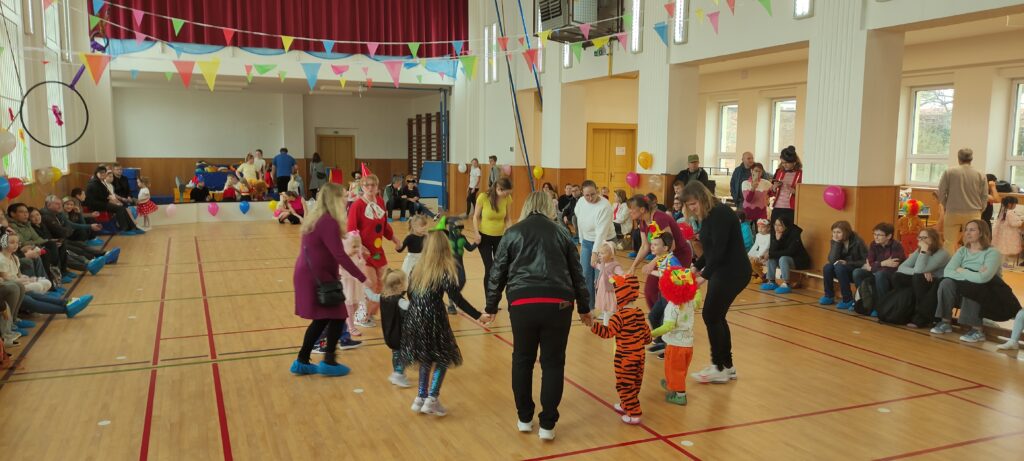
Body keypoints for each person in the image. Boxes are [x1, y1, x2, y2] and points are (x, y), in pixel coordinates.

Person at [485, 191, 590, 441]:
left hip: (522, 302)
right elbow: (577, 273)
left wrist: (491, 306)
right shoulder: (562, 232)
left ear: (526, 206)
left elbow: (497, 272)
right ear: (548, 207)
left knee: (522, 359)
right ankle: (547, 426)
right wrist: (584, 308)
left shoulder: (513, 232)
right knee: (553, 363)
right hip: (559, 303)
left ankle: (524, 419)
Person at [401, 224, 484, 417]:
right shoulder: (444, 270)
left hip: (414, 316)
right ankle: (432, 398)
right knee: (443, 357)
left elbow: (411, 293)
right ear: (445, 248)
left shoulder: (417, 268)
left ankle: (420, 397)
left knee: (425, 356)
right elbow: (457, 299)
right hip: (433, 318)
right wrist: (478, 315)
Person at [290, 183, 371, 377]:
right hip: (317, 276)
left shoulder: (318, 218)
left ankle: (303, 361)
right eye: (343, 196)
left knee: (324, 318)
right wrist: (362, 278)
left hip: (312, 273)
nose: (347, 199)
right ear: (334, 199)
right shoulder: (328, 221)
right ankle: (328, 361)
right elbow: (339, 255)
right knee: (336, 314)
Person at [679, 181, 748, 384]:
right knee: (716, 316)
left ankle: (718, 367)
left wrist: (704, 276)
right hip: (723, 269)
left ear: (703, 198)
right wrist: (695, 267)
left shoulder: (720, 214)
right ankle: (727, 366)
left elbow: (719, 250)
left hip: (733, 272)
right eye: (688, 205)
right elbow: (709, 251)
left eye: (694, 203)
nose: (692, 208)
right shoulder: (708, 216)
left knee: (711, 315)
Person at [931, 220, 1021, 343]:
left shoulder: (993, 252)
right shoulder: (962, 251)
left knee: (972, 286)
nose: (967, 233)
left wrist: (961, 270)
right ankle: (945, 322)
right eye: (966, 230)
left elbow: (983, 278)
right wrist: (974, 273)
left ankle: (977, 330)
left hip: (990, 291)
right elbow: (948, 272)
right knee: (946, 282)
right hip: (967, 286)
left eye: (972, 230)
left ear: (982, 233)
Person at [589, 274, 651, 425]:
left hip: (625, 358)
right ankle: (626, 405)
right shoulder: (639, 313)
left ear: (621, 296)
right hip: (640, 357)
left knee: (625, 385)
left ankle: (634, 413)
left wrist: (593, 325)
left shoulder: (619, 316)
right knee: (634, 383)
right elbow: (647, 336)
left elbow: (607, 333)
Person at [347, 172, 401, 327]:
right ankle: (361, 316)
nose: (370, 188)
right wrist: (360, 246)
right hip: (364, 253)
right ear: (362, 187)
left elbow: (384, 225)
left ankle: (370, 313)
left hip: (378, 252)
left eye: (373, 185)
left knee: (383, 284)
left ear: (378, 187)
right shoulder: (357, 205)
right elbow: (351, 229)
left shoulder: (380, 202)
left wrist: (395, 239)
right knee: (370, 284)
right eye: (367, 185)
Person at [652, 267, 700, 406]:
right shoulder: (690, 302)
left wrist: (651, 333)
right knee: (678, 369)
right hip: (687, 345)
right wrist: (695, 288)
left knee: (675, 370)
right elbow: (698, 299)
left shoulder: (672, 307)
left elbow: (668, 326)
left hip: (675, 346)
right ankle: (671, 384)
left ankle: (680, 396)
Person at [891, 227, 950, 328]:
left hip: (937, 282)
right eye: (920, 237)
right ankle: (903, 309)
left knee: (918, 278)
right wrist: (920, 271)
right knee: (898, 276)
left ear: (933, 239)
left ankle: (922, 317)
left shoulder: (942, 253)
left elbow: (919, 270)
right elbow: (901, 268)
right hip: (922, 279)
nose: (921, 240)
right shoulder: (918, 251)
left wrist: (923, 251)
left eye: (925, 238)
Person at [626, 195, 693, 283]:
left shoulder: (659, 218)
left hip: (678, 255)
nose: (629, 211)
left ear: (642, 209)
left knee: (674, 286)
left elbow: (670, 246)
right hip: (664, 256)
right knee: (652, 287)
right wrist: (633, 267)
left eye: (631, 208)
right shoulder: (643, 222)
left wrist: (652, 263)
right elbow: (644, 246)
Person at [362, 269, 411, 387]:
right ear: (399, 285)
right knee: (408, 354)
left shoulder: (382, 297)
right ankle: (398, 373)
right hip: (400, 334)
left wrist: (365, 287)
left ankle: (397, 374)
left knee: (396, 353)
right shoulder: (399, 301)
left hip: (389, 334)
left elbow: (371, 296)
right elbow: (411, 307)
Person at [937, 148, 988, 253]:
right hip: (973, 212)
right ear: (971, 159)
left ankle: (949, 263)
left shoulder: (949, 172)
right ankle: (969, 262)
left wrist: (946, 205)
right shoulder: (980, 174)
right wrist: (980, 209)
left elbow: (941, 192)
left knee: (949, 242)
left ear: (958, 158)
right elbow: (984, 195)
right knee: (972, 242)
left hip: (952, 212)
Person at [575, 180, 615, 312]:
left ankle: (603, 308)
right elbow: (580, 222)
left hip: (604, 242)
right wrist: (582, 241)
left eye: (593, 194)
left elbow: (601, 233)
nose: (590, 198)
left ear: (597, 190)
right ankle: (590, 307)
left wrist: (595, 253)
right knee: (585, 274)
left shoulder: (605, 206)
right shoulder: (581, 202)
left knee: (600, 277)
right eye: (587, 195)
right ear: (582, 194)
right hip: (587, 241)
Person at [473, 177, 513, 294]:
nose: (507, 195)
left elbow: (508, 218)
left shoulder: (507, 199)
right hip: (484, 237)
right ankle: (488, 298)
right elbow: (475, 217)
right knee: (489, 268)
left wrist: (511, 233)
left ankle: (495, 295)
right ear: (498, 189)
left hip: (500, 238)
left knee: (499, 268)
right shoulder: (483, 197)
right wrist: (476, 233)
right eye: (506, 193)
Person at [853, 222, 905, 308]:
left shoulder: (896, 246)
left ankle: (882, 306)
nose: (875, 237)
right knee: (857, 272)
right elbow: (870, 262)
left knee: (880, 274)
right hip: (877, 272)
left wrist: (873, 267)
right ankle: (865, 300)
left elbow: (892, 267)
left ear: (889, 236)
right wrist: (883, 263)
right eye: (874, 234)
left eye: (879, 235)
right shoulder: (873, 244)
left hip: (892, 275)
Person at [820, 221, 869, 309]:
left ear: (846, 232)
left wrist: (848, 263)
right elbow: (832, 260)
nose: (835, 235)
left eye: (838, 232)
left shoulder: (858, 241)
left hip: (854, 270)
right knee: (827, 267)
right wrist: (836, 244)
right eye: (834, 232)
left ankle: (847, 299)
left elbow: (865, 260)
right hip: (840, 270)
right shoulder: (835, 241)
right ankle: (829, 296)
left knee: (839, 267)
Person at [760, 214, 810, 295]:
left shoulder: (794, 234)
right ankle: (771, 281)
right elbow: (772, 251)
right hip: (784, 260)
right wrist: (777, 241)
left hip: (799, 261)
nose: (777, 227)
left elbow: (790, 252)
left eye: (780, 225)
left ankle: (786, 283)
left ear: (786, 226)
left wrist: (770, 254)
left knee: (782, 258)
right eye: (775, 225)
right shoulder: (776, 233)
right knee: (772, 258)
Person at [84, 166, 142, 235]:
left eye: (104, 172)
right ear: (96, 173)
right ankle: (124, 229)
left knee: (122, 208)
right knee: (119, 208)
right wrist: (115, 202)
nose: (103, 174)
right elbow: (103, 197)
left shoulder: (100, 182)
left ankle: (132, 227)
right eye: (101, 173)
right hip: (96, 204)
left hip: (101, 202)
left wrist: (115, 201)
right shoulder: (94, 183)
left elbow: (106, 195)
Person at [446, 217, 479, 315]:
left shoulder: (462, 238)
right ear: (452, 228)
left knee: (462, 280)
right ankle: (451, 304)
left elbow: (469, 248)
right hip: (449, 264)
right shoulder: (446, 237)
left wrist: (476, 243)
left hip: (459, 263)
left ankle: (454, 296)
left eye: (461, 229)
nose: (460, 231)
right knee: (450, 282)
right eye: (458, 229)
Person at [593, 242, 626, 326]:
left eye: (602, 253)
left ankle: (615, 323)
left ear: (611, 255)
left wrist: (613, 279)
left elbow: (622, 276)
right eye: (599, 253)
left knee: (610, 310)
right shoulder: (603, 264)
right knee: (606, 310)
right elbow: (597, 266)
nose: (600, 255)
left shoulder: (615, 265)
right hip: (603, 290)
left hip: (610, 292)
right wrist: (594, 263)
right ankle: (607, 325)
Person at [770, 146, 802, 224]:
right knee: (774, 229)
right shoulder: (779, 172)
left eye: (787, 163)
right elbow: (771, 192)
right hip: (777, 207)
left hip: (791, 209)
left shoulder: (801, 174)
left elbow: (805, 194)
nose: (784, 165)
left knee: (788, 230)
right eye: (782, 162)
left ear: (794, 162)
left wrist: (795, 192)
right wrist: (774, 188)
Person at [991, 196, 1022, 267]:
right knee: (1005, 249)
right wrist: (1020, 222)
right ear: (1009, 204)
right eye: (1015, 204)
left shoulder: (1003, 210)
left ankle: (1001, 262)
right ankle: (1003, 263)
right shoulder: (1010, 212)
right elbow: (1013, 223)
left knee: (1001, 249)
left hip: (1002, 233)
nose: (1015, 206)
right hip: (1008, 234)